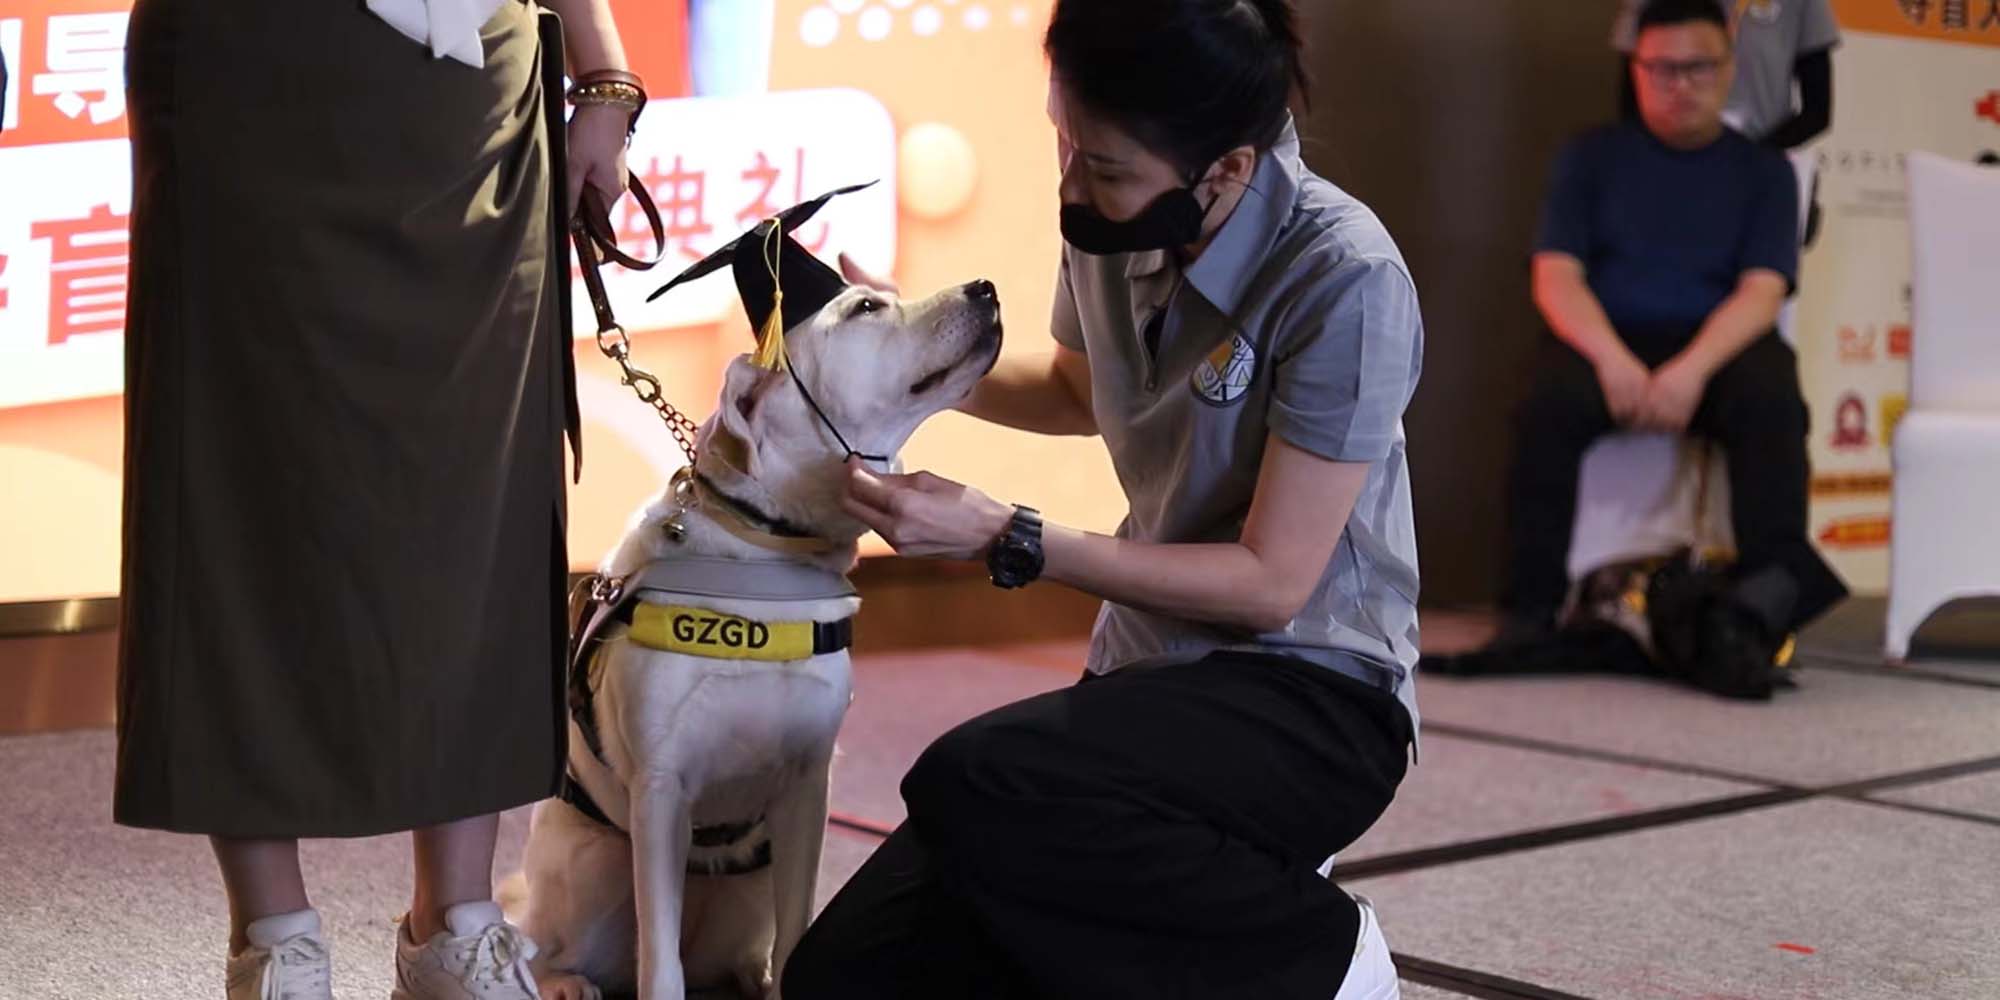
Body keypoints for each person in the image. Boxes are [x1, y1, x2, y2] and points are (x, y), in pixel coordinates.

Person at [782, 1, 1424, 997]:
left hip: (1311, 694)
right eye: (1063, 142)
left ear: (1227, 171)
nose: (1070, 183)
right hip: (1151, 671)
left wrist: (1006, 534)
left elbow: (1267, 584)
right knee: (840, 978)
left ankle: (1323, 954)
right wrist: (917, 344)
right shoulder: (1112, 216)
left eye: (1106, 166)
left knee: (978, 777)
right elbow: (1084, 391)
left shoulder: (1344, 278)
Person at [115, 1, 637, 997]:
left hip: (468, 83)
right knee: (237, 480)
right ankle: (275, 941)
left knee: (470, 496)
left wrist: (603, 74)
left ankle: (457, 924)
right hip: (242, 68)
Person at [1494, 0, 1847, 655]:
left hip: (1715, 348)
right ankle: (1530, 614)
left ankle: (1760, 614)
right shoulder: (1590, 158)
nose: (1679, 84)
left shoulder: (1765, 172)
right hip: (1610, 339)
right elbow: (1556, 276)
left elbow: (1762, 291)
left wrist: (1690, 371)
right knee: (1544, 404)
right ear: (1636, 68)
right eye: (1661, 69)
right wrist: (1613, 360)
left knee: (1773, 401)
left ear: (1729, 67)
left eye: (1697, 68)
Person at [1612, 0, 1841, 152]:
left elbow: (1817, 111)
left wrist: (1751, 161)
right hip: (1666, 167)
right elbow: (1631, 99)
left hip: (1762, 168)